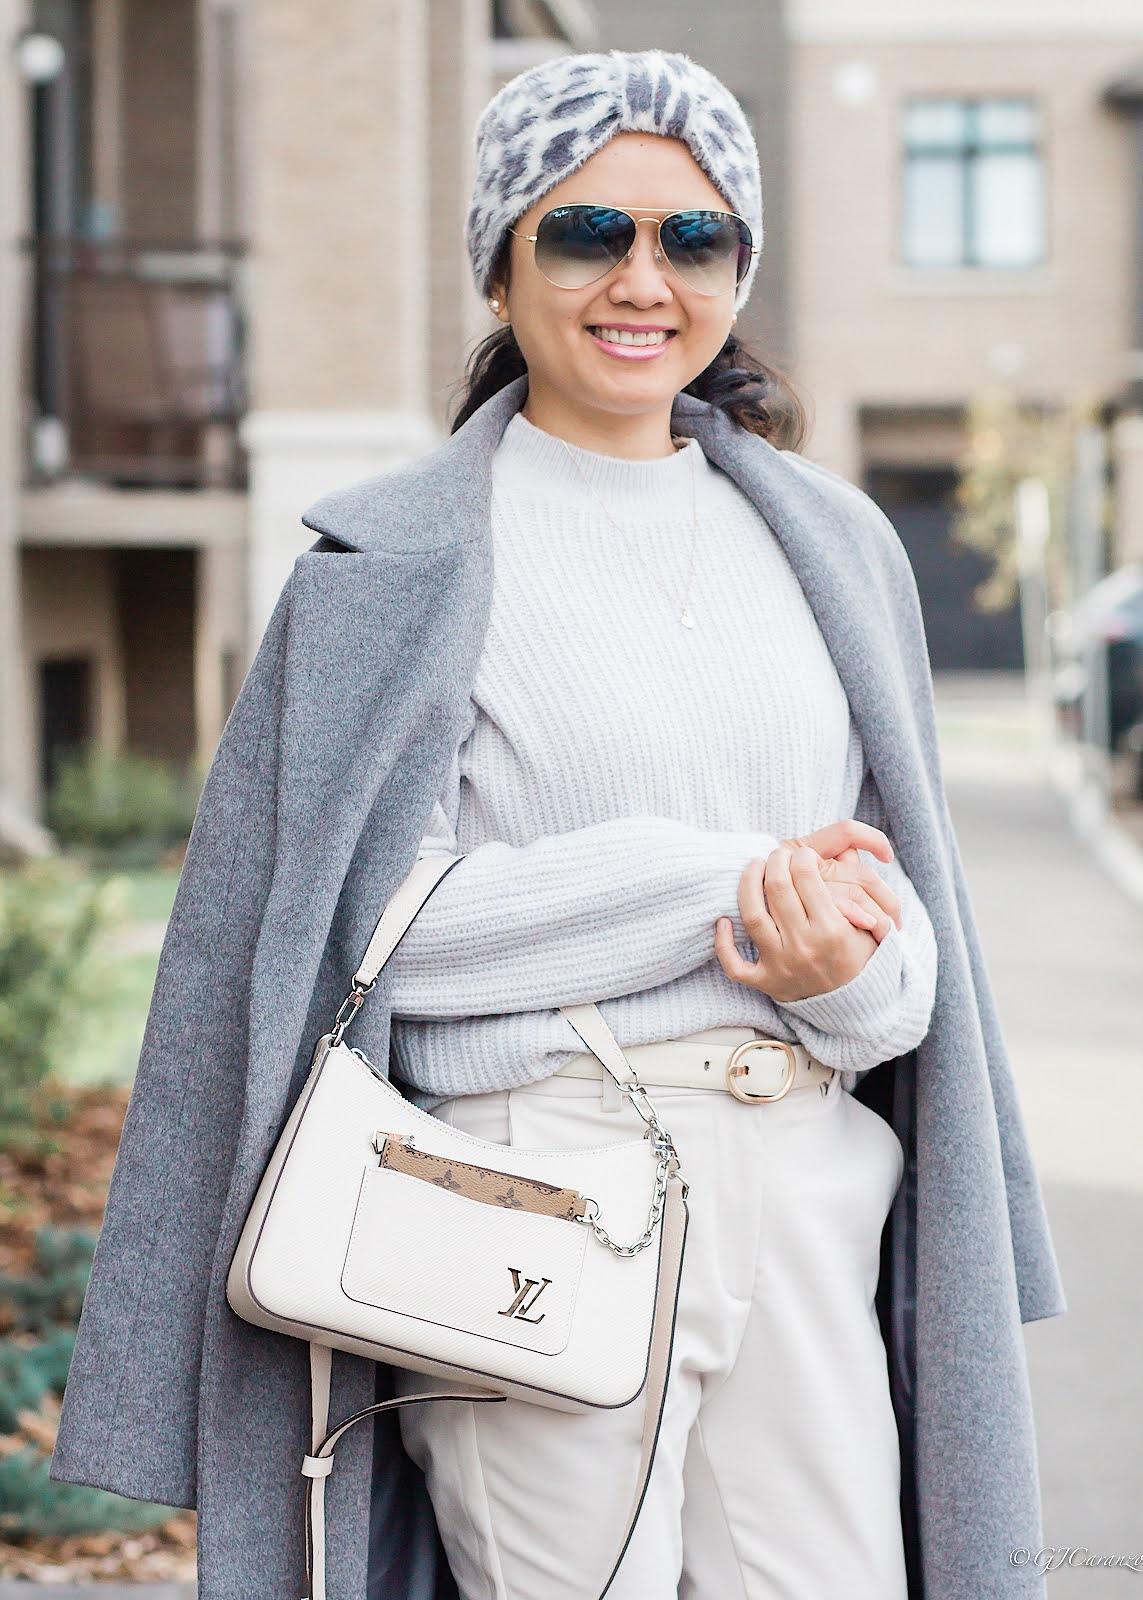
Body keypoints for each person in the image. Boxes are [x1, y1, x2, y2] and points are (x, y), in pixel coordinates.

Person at [51, 48, 1065, 1600]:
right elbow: (368, 932)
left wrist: (841, 976)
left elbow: (907, 944)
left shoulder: (833, 546)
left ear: (740, 269)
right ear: (502, 263)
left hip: (806, 1175)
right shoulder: (388, 567)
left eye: (693, 238)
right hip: (530, 1195)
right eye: (588, 232)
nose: (642, 278)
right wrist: (718, 880)